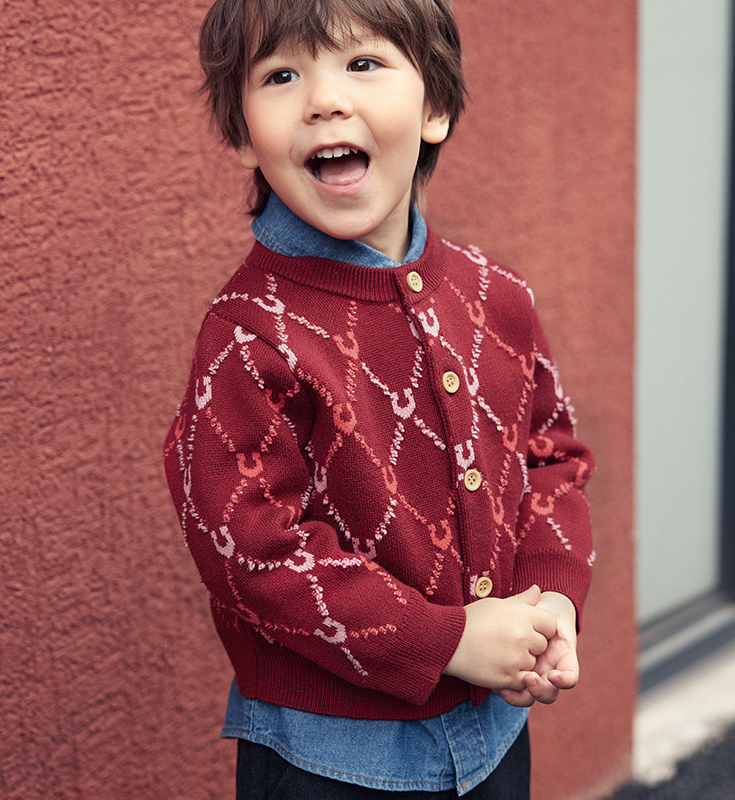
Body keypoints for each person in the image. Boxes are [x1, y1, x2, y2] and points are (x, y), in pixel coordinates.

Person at [163, 0, 595, 796]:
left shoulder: (497, 297)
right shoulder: (249, 336)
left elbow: (551, 457)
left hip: (496, 736)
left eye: (362, 64)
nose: (324, 99)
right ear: (243, 131)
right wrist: (447, 640)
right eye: (281, 75)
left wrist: (553, 600)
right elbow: (250, 552)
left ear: (435, 107)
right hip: (329, 758)